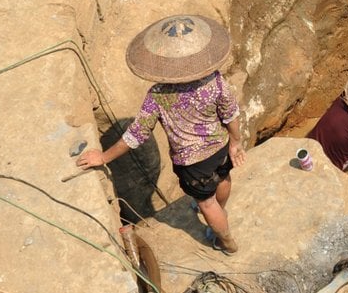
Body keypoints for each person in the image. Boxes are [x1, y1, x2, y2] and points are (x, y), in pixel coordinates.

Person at [76, 14, 246, 255]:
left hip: (192, 162)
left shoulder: (158, 94)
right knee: (223, 179)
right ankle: (223, 211)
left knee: (206, 203)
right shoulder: (215, 80)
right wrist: (236, 142)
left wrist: (103, 158)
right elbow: (230, 114)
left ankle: (226, 242)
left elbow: (136, 134)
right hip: (219, 146)